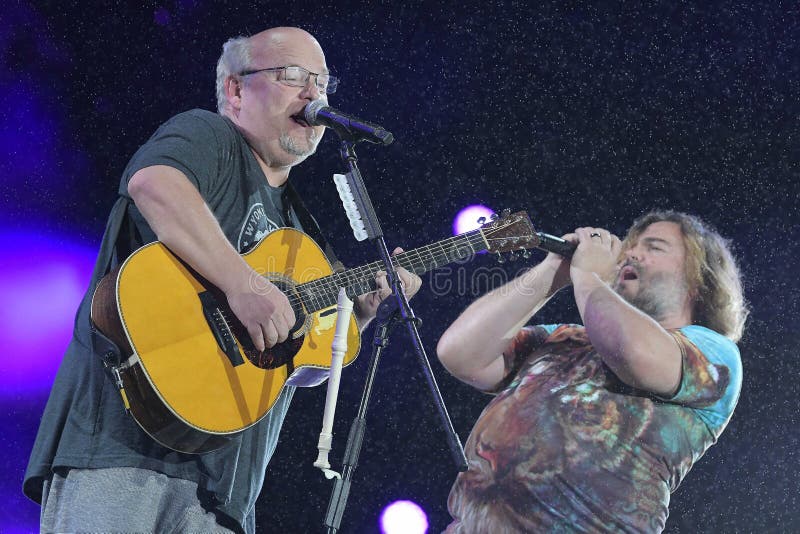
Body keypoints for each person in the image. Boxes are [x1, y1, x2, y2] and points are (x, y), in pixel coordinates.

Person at [23, 27, 420, 533]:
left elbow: (299, 367)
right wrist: (246, 285)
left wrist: (357, 316)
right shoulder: (208, 137)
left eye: (322, 83)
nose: (313, 95)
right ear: (236, 90)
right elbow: (154, 184)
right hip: (124, 451)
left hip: (226, 492)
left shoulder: (302, 231)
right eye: (293, 76)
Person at [437, 211, 748, 533]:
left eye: (653, 247)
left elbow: (635, 353)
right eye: (630, 246)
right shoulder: (566, 338)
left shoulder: (714, 353)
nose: (630, 253)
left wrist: (588, 277)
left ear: (699, 278)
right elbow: (460, 355)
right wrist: (552, 273)